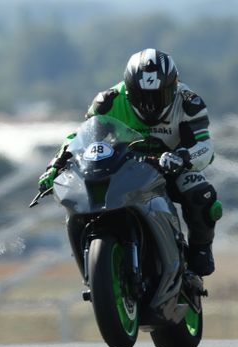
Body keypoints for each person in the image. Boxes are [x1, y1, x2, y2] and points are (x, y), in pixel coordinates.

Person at [39, 48, 222, 276]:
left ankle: (201, 249)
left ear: (174, 88)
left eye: (158, 96)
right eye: (141, 96)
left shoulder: (189, 103)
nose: (150, 105)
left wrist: (183, 157)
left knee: (201, 193)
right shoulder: (107, 102)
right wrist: (55, 166)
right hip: (123, 167)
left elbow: (205, 147)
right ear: (128, 90)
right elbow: (79, 138)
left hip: (171, 166)